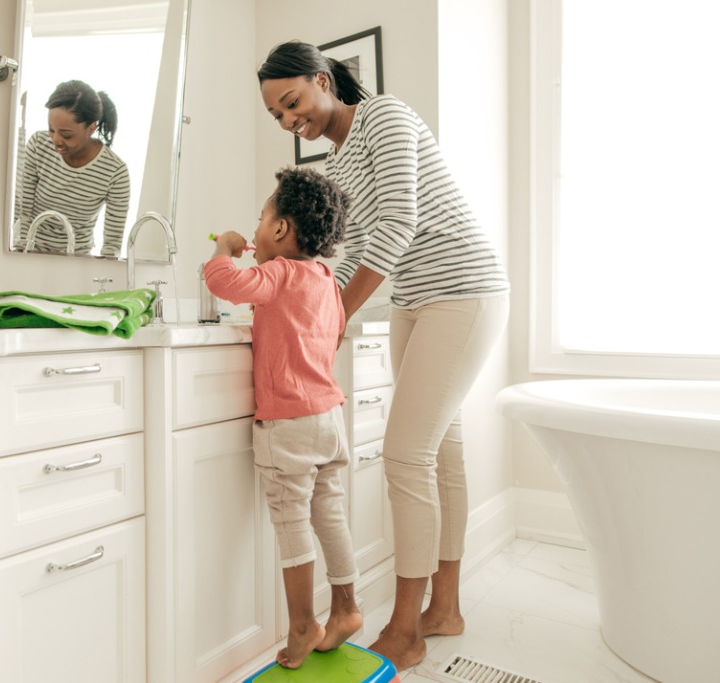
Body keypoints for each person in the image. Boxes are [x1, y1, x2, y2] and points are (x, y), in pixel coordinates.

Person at [257, 41, 510, 671]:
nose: (291, 121)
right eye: (278, 116)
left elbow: (398, 220)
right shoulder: (336, 169)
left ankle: (405, 627)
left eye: (293, 102)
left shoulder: (386, 116)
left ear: (322, 79)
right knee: (440, 451)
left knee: (404, 455)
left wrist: (334, 313)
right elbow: (333, 257)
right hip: (414, 301)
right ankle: (443, 607)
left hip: (465, 290)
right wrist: (282, 285)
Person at [204, 166, 362, 670]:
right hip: (329, 417)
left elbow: (224, 283)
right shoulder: (326, 280)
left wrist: (224, 249)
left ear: (278, 231)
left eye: (258, 221)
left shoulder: (279, 273)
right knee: (330, 512)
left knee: (291, 520)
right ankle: (346, 607)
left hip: (289, 423)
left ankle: (302, 623)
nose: (253, 231)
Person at [14, 80, 130, 256]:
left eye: (66, 134)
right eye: (51, 130)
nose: (56, 140)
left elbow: (112, 245)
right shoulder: (39, 144)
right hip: (29, 251)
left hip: (77, 260)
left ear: (91, 128)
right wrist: (22, 251)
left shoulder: (115, 172)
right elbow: (24, 209)